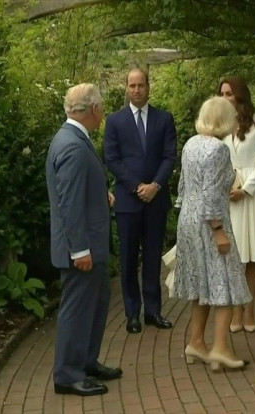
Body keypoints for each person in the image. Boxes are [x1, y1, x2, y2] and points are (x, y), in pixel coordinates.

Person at [45, 83, 122, 396]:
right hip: (82, 248)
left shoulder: (73, 139)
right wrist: (79, 249)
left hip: (91, 242)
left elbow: (77, 190)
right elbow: (69, 203)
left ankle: (86, 361)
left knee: (95, 305)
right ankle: (67, 374)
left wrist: (100, 195)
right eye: (101, 107)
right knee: (77, 309)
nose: (103, 112)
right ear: (93, 110)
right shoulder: (73, 145)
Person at [172, 96, 252, 371]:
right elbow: (210, 194)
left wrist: (187, 217)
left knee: (201, 284)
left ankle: (196, 342)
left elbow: (183, 187)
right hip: (210, 222)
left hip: (188, 220)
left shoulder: (191, 143)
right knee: (225, 283)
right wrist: (218, 230)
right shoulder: (218, 149)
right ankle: (220, 348)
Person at [104, 67, 177, 333]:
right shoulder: (115, 121)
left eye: (141, 85)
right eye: (132, 86)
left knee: (152, 257)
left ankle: (153, 312)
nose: (136, 90)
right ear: (126, 88)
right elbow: (111, 159)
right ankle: (132, 314)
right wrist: (137, 187)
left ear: (149, 87)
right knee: (128, 258)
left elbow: (170, 156)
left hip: (156, 201)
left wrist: (156, 185)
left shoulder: (164, 119)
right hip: (127, 201)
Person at [217, 76, 255, 333]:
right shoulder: (220, 124)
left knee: (252, 255)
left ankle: (249, 307)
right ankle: (236, 309)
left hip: (250, 194)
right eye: (221, 94)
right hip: (228, 193)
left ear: (240, 95)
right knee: (232, 255)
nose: (225, 98)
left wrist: (245, 189)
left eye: (229, 93)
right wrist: (226, 185)